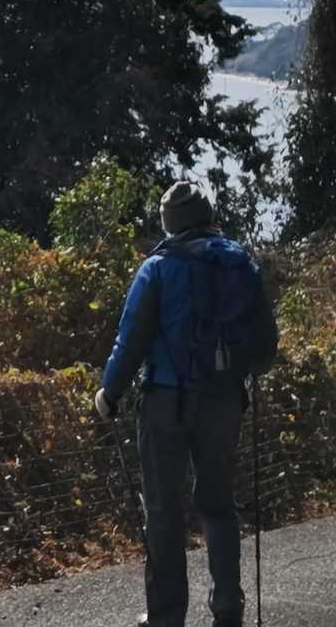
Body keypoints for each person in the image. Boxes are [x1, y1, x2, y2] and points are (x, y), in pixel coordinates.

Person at [93, 181, 278, 627]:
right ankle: (227, 606)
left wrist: (109, 392)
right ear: (207, 214)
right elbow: (266, 347)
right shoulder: (239, 263)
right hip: (223, 401)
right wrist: (239, 369)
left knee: (163, 511)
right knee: (217, 502)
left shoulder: (157, 268)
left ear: (169, 223)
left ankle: (166, 616)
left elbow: (131, 340)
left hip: (165, 403)